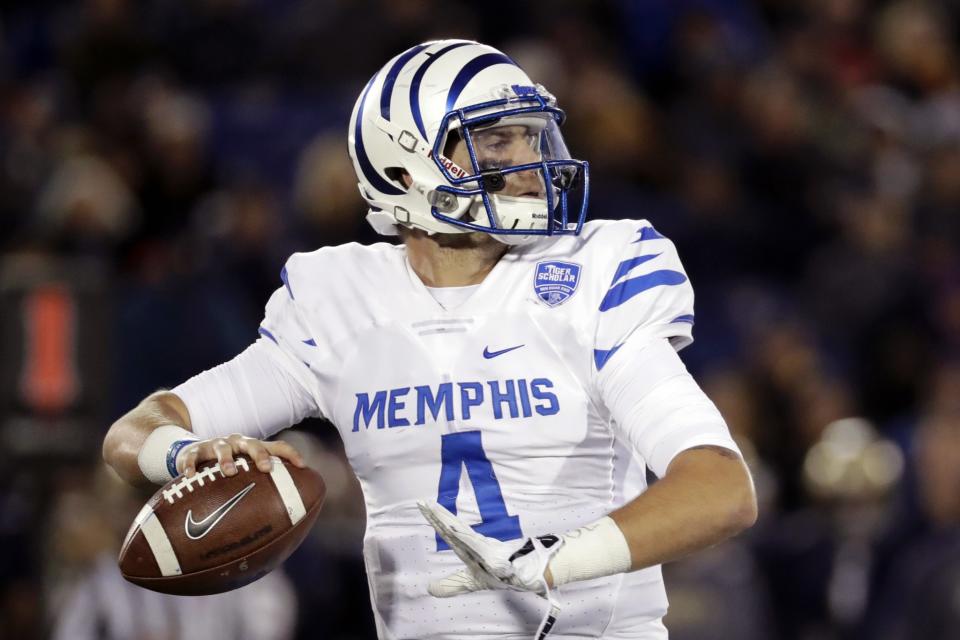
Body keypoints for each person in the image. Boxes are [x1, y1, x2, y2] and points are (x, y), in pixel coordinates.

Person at [103, 39, 757, 640]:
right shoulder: (339, 300)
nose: (530, 166)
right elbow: (131, 435)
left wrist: (558, 560)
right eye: (496, 143)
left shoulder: (592, 274)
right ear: (407, 167)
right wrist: (187, 454)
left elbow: (721, 488)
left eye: (533, 140)